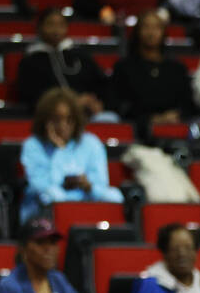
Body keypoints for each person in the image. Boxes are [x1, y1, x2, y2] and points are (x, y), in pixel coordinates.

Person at [20, 88, 125, 223]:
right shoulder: (33, 145)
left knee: (116, 197)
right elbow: (43, 188)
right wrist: (60, 150)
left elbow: (100, 185)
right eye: (57, 119)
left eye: (69, 119)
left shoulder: (91, 143)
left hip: (86, 203)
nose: (63, 126)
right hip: (46, 212)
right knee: (53, 196)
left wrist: (88, 186)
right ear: (45, 120)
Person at [111, 9, 196, 140]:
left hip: (174, 129)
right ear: (138, 32)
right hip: (136, 130)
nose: (151, 33)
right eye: (146, 27)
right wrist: (151, 119)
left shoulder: (177, 68)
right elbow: (118, 104)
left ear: (163, 33)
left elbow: (188, 103)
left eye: (157, 28)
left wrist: (175, 115)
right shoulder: (124, 67)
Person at [16, 8, 110, 119]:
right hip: (50, 117)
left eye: (61, 25)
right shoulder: (30, 62)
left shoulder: (81, 56)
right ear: (40, 28)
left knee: (109, 118)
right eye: (50, 24)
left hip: (86, 114)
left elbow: (102, 85)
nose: (56, 29)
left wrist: (96, 102)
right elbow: (31, 98)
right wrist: (71, 103)